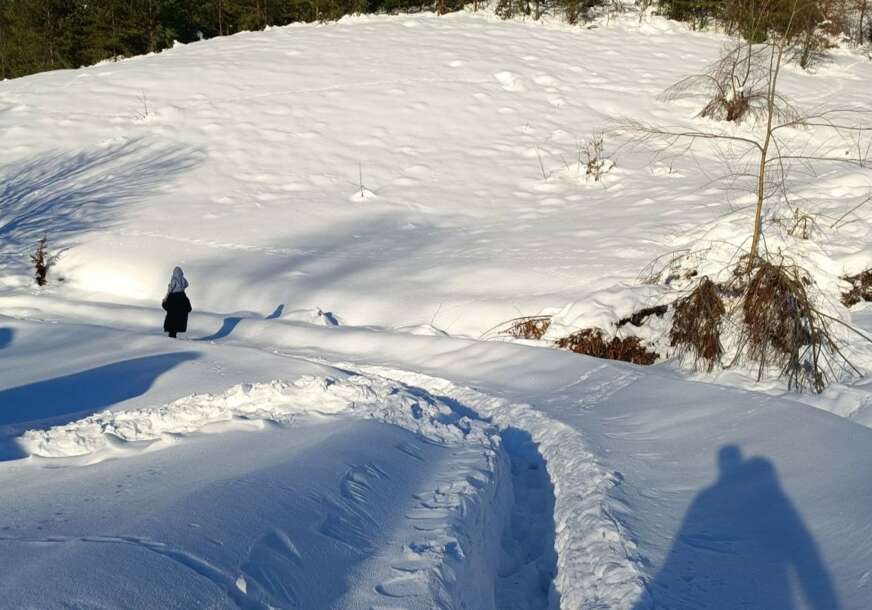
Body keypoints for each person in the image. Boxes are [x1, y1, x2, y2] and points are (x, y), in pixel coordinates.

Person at [162, 266, 192, 338]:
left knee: (172, 332)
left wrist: (164, 301)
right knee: (174, 332)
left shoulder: (171, 296)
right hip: (180, 320)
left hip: (171, 320)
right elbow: (189, 308)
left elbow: (165, 306)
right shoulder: (184, 297)